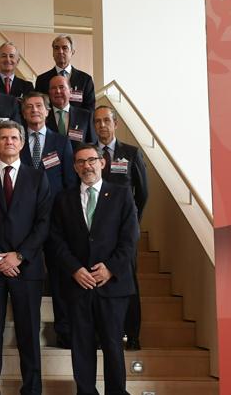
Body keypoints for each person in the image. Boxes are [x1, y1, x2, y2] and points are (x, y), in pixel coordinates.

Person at [0, 121, 53, 395]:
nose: (9, 142)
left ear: (23, 142)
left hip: (26, 268)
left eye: (14, 138)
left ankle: (32, 388)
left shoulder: (38, 178)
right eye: (3, 138)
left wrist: (19, 256)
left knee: (28, 333)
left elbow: (44, 223)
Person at [48, 144, 140, 395]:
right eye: (80, 162)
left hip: (111, 286)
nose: (86, 166)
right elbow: (55, 240)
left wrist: (110, 268)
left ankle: (116, 392)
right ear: (75, 167)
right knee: (82, 347)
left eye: (91, 160)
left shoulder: (121, 195)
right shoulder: (63, 199)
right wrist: (74, 269)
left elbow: (130, 238)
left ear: (102, 163)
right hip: (77, 286)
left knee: (112, 345)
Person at [18, 90, 76, 348]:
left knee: (60, 278)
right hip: (22, 224)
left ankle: (64, 331)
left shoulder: (62, 143)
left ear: (48, 110)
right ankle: (25, 332)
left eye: (39, 106)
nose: (34, 110)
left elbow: (70, 184)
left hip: (55, 223)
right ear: (22, 112)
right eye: (29, 107)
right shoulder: (15, 140)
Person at [93, 105, 149, 351]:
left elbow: (143, 193)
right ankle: (100, 333)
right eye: (97, 122)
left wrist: (132, 224)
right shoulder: (89, 153)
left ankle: (132, 334)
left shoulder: (131, 153)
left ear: (116, 124)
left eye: (107, 121)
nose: (102, 125)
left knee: (128, 282)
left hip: (123, 232)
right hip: (95, 231)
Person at [34, 34, 96, 111]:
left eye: (64, 48)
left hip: (78, 122)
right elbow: (40, 107)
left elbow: (90, 109)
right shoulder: (42, 80)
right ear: (53, 52)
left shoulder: (85, 79)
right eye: (56, 48)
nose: (60, 51)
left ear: (72, 52)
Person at [46, 76, 95, 146]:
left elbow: (92, 143)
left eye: (61, 87)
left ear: (70, 91)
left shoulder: (86, 116)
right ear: (49, 92)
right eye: (53, 88)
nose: (58, 91)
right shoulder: (43, 116)